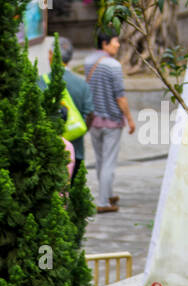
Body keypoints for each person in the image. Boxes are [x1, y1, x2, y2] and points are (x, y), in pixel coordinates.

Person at [85, 28, 135, 213]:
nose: (118, 44)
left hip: (94, 121)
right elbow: (120, 97)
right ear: (105, 44)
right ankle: (103, 202)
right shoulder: (113, 66)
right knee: (109, 163)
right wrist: (130, 119)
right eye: (115, 41)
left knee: (100, 160)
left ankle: (107, 193)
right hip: (112, 121)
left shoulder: (89, 61)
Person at [39, 35, 94, 183]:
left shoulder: (40, 83)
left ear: (51, 56)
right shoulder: (82, 84)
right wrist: (76, 131)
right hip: (76, 151)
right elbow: (90, 114)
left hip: (47, 151)